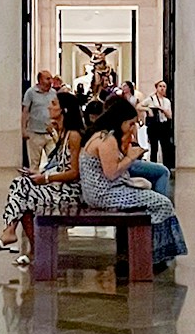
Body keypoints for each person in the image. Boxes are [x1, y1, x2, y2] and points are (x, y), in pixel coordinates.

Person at [78, 97, 187, 272]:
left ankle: (154, 252)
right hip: (104, 194)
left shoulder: (101, 135)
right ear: (120, 121)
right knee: (162, 204)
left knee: (156, 199)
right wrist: (130, 157)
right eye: (130, 124)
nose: (132, 128)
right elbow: (111, 173)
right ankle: (155, 256)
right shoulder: (107, 139)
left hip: (100, 192)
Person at [0, 91, 86, 267]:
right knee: (21, 184)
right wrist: (37, 174)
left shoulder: (74, 135)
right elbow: (60, 164)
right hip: (59, 186)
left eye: (54, 104)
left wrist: (46, 178)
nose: (49, 107)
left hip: (71, 191)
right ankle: (22, 240)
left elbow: (74, 172)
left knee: (24, 194)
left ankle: (16, 235)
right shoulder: (63, 133)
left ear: (64, 110)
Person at [21, 70, 56, 169]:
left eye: (51, 78)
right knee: (34, 163)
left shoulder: (53, 93)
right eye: (47, 79)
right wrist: (23, 129)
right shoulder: (31, 93)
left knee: (54, 160)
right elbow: (25, 112)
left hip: (50, 133)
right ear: (40, 80)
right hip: (35, 133)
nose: (50, 81)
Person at [144, 80, 175, 169]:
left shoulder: (167, 101)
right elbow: (139, 106)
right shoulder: (151, 99)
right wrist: (148, 110)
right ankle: (153, 167)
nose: (162, 88)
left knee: (165, 147)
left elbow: (170, 116)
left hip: (163, 125)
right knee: (154, 147)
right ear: (157, 88)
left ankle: (167, 167)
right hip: (154, 125)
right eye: (160, 86)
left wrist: (162, 109)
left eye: (164, 86)